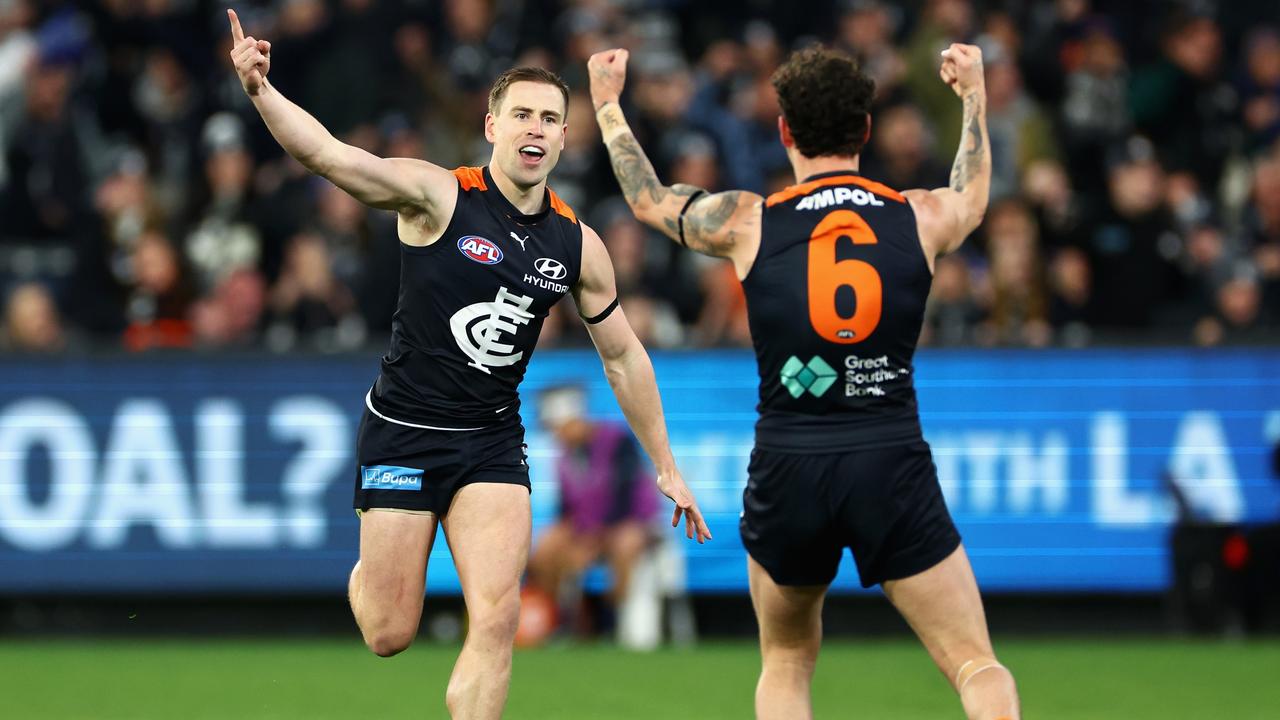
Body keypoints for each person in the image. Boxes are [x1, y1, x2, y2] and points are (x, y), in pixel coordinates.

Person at [225, 10, 710, 720]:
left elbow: (624, 358)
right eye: (522, 115)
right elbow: (330, 156)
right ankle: (371, 573)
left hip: (490, 443)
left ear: (566, 138)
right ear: (492, 127)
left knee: (498, 615)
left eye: (550, 118)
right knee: (389, 632)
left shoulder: (579, 247)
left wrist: (665, 462)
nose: (536, 129)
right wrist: (261, 90)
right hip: (403, 429)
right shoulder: (437, 195)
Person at [589, 44, 1020, 719]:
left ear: (784, 131)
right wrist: (974, 93)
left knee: (786, 663)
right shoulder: (920, 215)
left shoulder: (750, 221)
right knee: (976, 663)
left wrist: (609, 104)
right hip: (888, 456)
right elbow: (973, 193)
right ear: (867, 131)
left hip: (790, 462)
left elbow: (648, 202)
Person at [526, 384, 659, 635]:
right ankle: (559, 620)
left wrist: (593, 540)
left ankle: (612, 619)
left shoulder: (616, 440)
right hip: (587, 527)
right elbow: (565, 508)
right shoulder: (564, 455)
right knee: (545, 548)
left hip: (630, 522)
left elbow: (625, 498)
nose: (557, 435)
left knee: (624, 543)